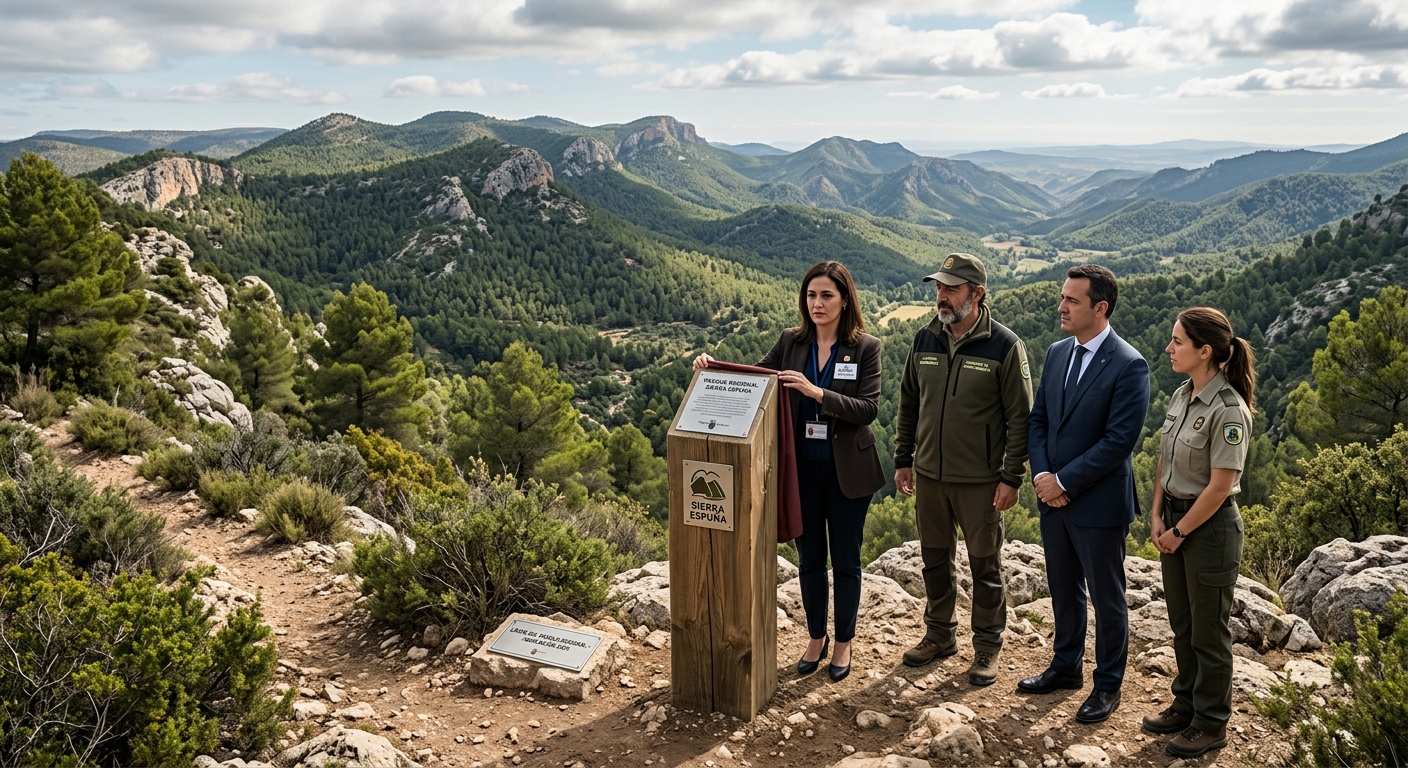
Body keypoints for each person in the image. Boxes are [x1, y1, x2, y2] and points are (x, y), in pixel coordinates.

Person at [693, 260, 883, 682]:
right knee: (810, 560)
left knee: (847, 561)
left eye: (827, 295)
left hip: (848, 472)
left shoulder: (866, 347)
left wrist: (818, 392)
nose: (817, 303)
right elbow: (758, 376)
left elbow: (869, 408)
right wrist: (716, 366)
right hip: (802, 472)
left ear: (845, 299)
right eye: (811, 295)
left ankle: (843, 642)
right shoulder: (790, 342)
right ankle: (816, 637)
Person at [892, 252, 1033, 687]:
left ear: (977, 294)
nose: (942, 296)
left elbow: (1021, 419)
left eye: (951, 288)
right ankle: (939, 635)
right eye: (939, 287)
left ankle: (987, 646)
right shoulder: (924, 338)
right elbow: (909, 403)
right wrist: (903, 459)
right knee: (934, 561)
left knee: (985, 566)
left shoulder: (1005, 346)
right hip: (930, 476)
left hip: (981, 482)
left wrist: (1011, 477)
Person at [1021, 264, 1150, 725]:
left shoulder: (1129, 364)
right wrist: (1043, 476)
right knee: (1063, 589)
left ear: (1100, 308)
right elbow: (1038, 420)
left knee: (1107, 598)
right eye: (1062, 297)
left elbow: (1119, 443)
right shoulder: (1057, 353)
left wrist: (1065, 481)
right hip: (1051, 497)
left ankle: (1108, 685)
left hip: (1096, 504)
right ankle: (1066, 667)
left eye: (1071, 301)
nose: (1061, 307)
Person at [1141, 308, 1254, 759]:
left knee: (1209, 631)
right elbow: (1165, 462)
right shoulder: (1182, 394)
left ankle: (1210, 722)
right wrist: (1155, 516)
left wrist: (1180, 531)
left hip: (1208, 530)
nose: (1169, 348)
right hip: (1174, 520)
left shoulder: (1229, 411)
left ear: (1204, 351)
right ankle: (1185, 704)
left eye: (1177, 342)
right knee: (1182, 625)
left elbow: (1220, 486)